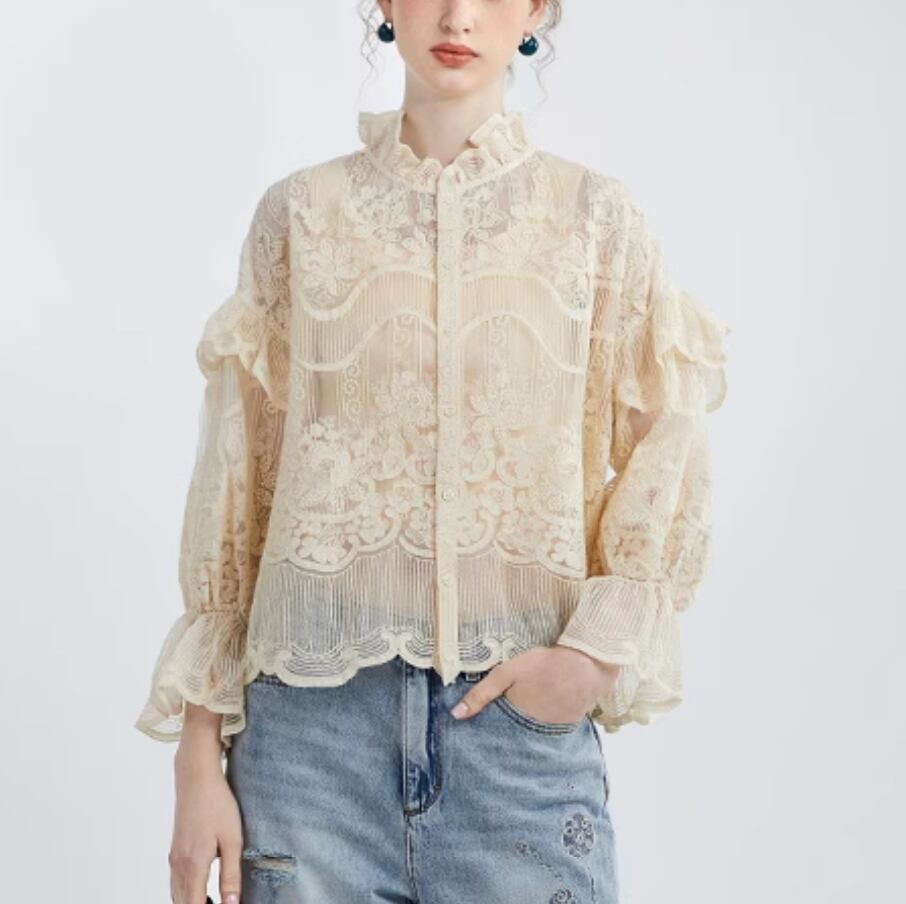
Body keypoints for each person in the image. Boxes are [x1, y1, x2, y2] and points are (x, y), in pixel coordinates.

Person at [135, 2, 731, 902]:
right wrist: (196, 761)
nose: (457, 16)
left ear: (535, 10)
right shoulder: (301, 216)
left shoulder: (595, 222)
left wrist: (592, 658)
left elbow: (669, 449)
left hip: (518, 752)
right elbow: (237, 489)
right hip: (309, 757)